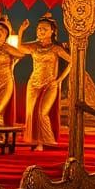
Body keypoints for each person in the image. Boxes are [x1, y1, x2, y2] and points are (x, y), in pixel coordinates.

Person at [20, 13, 72, 150]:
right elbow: (20, 48)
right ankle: (35, 141)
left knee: (42, 112)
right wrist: (21, 31)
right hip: (34, 83)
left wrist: (59, 80)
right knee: (31, 112)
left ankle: (49, 141)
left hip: (50, 84)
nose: (41, 31)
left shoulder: (56, 48)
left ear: (52, 31)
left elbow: (72, 62)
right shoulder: (34, 46)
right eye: (39, 29)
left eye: (44, 29)